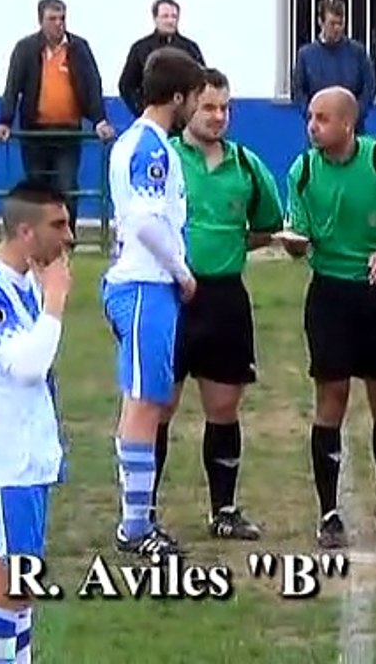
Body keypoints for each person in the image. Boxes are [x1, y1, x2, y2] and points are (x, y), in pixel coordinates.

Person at [278, 86, 376, 549]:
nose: (313, 126)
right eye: (310, 117)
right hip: (329, 295)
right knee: (331, 398)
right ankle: (328, 513)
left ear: (348, 123)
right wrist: (295, 244)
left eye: (322, 118)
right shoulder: (302, 171)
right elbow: (298, 230)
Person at [0, 180, 75, 664]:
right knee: (5, 597)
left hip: (25, 466)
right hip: (4, 467)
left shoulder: (24, 282)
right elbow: (26, 366)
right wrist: (56, 302)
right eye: (58, 225)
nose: (69, 237)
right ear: (26, 231)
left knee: (19, 597)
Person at [163, 68, 284, 540]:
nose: (217, 116)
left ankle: (224, 510)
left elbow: (267, 225)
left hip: (225, 298)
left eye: (224, 108)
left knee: (224, 408)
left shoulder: (247, 165)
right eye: (209, 106)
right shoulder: (167, 159)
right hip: (171, 296)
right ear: (188, 106)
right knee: (159, 405)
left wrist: (229, 246)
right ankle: (142, 511)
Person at [101, 48, 206, 559]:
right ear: (180, 97)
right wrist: (181, 272)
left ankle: (135, 518)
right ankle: (136, 527)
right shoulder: (152, 148)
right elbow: (144, 221)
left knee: (138, 402)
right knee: (146, 406)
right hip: (145, 286)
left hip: (138, 284)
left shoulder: (135, 141)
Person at [0, 0, 114, 235]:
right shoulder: (25, 48)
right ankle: (39, 239)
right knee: (37, 190)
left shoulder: (79, 48)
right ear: (41, 21)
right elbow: (13, 86)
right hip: (34, 132)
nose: (58, 24)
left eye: (62, 18)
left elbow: (91, 86)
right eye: (52, 19)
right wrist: (4, 121)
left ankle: (65, 239)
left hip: (68, 132)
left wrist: (99, 120)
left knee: (66, 187)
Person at [291, 0, 376, 134]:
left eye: (340, 23)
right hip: (319, 132)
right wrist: (313, 115)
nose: (337, 28)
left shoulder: (357, 52)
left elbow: (369, 86)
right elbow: (297, 90)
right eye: (332, 24)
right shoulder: (306, 55)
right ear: (320, 22)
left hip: (353, 130)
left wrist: (357, 114)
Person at [119, 0, 207, 118]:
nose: (170, 21)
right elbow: (126, 85)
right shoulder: (140, 48)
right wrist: (141, 110)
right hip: (152, 116)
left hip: (184, 120)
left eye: (174, 16)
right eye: (165, 16)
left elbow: (202, 82)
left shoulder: (190, 48)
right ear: (155, 18)